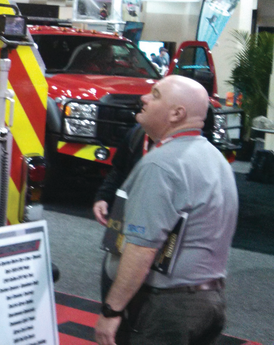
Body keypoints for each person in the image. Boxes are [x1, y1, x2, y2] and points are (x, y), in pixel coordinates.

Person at [94, 76, 238, 345]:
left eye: (155, 95)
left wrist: (111, 310)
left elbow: (142, 249)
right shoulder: (215, 158)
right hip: (208, 300)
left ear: (176, 114)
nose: (144, 98)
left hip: (167, 308)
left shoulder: (161, 164)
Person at [93, 123, 147, 300]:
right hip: (124, 222)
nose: (144, 102)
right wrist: (103, 197)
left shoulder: (186, 149)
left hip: (157, 234)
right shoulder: (137, 134)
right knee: (111, 277)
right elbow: (118, 170)